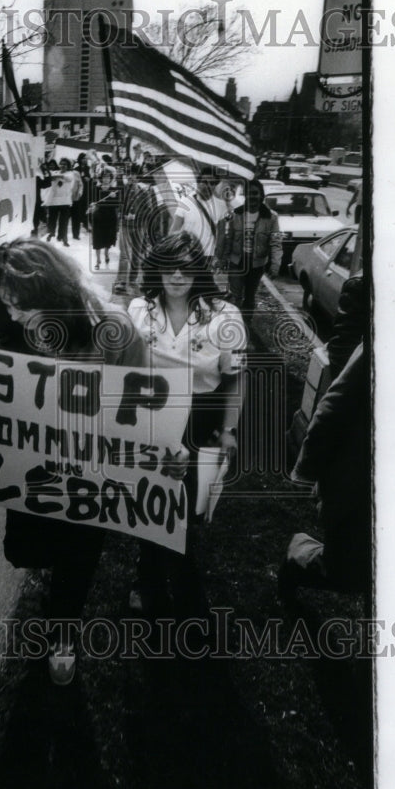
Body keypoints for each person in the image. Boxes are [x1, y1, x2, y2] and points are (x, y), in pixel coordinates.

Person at [0, 238, 152, 686]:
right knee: (22, 550)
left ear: (51, 292)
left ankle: (62, 636)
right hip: (33, 470)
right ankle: (57, 601)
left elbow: (142, 402)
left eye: (19, 304)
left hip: (92, 473)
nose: (12, 314)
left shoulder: (113, 329)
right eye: (7, 305)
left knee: (78, 557)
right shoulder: (13, 329)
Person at [127, 231, 246, 620]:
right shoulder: (137, 311)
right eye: (168, 266)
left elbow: (235, 377)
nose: (177, 275)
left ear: (199, 270)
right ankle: (146, 577)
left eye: (187, 267)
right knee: (148, 501)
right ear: (156, 270)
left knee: (189, 510)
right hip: (149, 416)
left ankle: (179, 581)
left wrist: (229, 429)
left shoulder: (225, 316)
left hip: (201, 418)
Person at [279, 343, 370, 598]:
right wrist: (307, 469)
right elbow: (333, 406)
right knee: (346, 574)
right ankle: (297, 557)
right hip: (359, 486)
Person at [215, 177, 282, 327]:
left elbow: (276, 242)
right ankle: (235, 325)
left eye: (255, 193)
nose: (252, 197)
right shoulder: (235, 214)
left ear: (261, 196)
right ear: (245, 196)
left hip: (257, 264)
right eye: (249, 194)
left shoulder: (271, 217)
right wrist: (223, 259)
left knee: (250, 297)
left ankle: (246, 324)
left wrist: (276, 264)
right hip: (237, 261)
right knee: (236, 296)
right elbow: (228, 238)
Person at [88, 164, 120, 269]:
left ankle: (106, 253)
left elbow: (116, 206)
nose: (106, 179)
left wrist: (114, 198)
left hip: (110, 218)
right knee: (97, 239)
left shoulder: (114, 190)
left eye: (108, 177)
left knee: (107, 239)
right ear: (101, 178)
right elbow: (91, 202)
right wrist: (92, 204)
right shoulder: (95, 189)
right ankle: (98, 261)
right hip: (98, 217)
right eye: (104, 177)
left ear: (111, 179)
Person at [43, 159, 72, 246]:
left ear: (68, 166)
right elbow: (49, 178)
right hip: (54, 201)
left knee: (64, 222)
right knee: (52, 220)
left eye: (65, 164)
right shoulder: (54, 173)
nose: (63, 166)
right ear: (59, 165)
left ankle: (63, 238)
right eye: (61, 164)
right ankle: (50, 234)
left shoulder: (70, 174)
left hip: (65, 201)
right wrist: (55, 176)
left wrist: (58, 176)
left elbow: (68, 179)